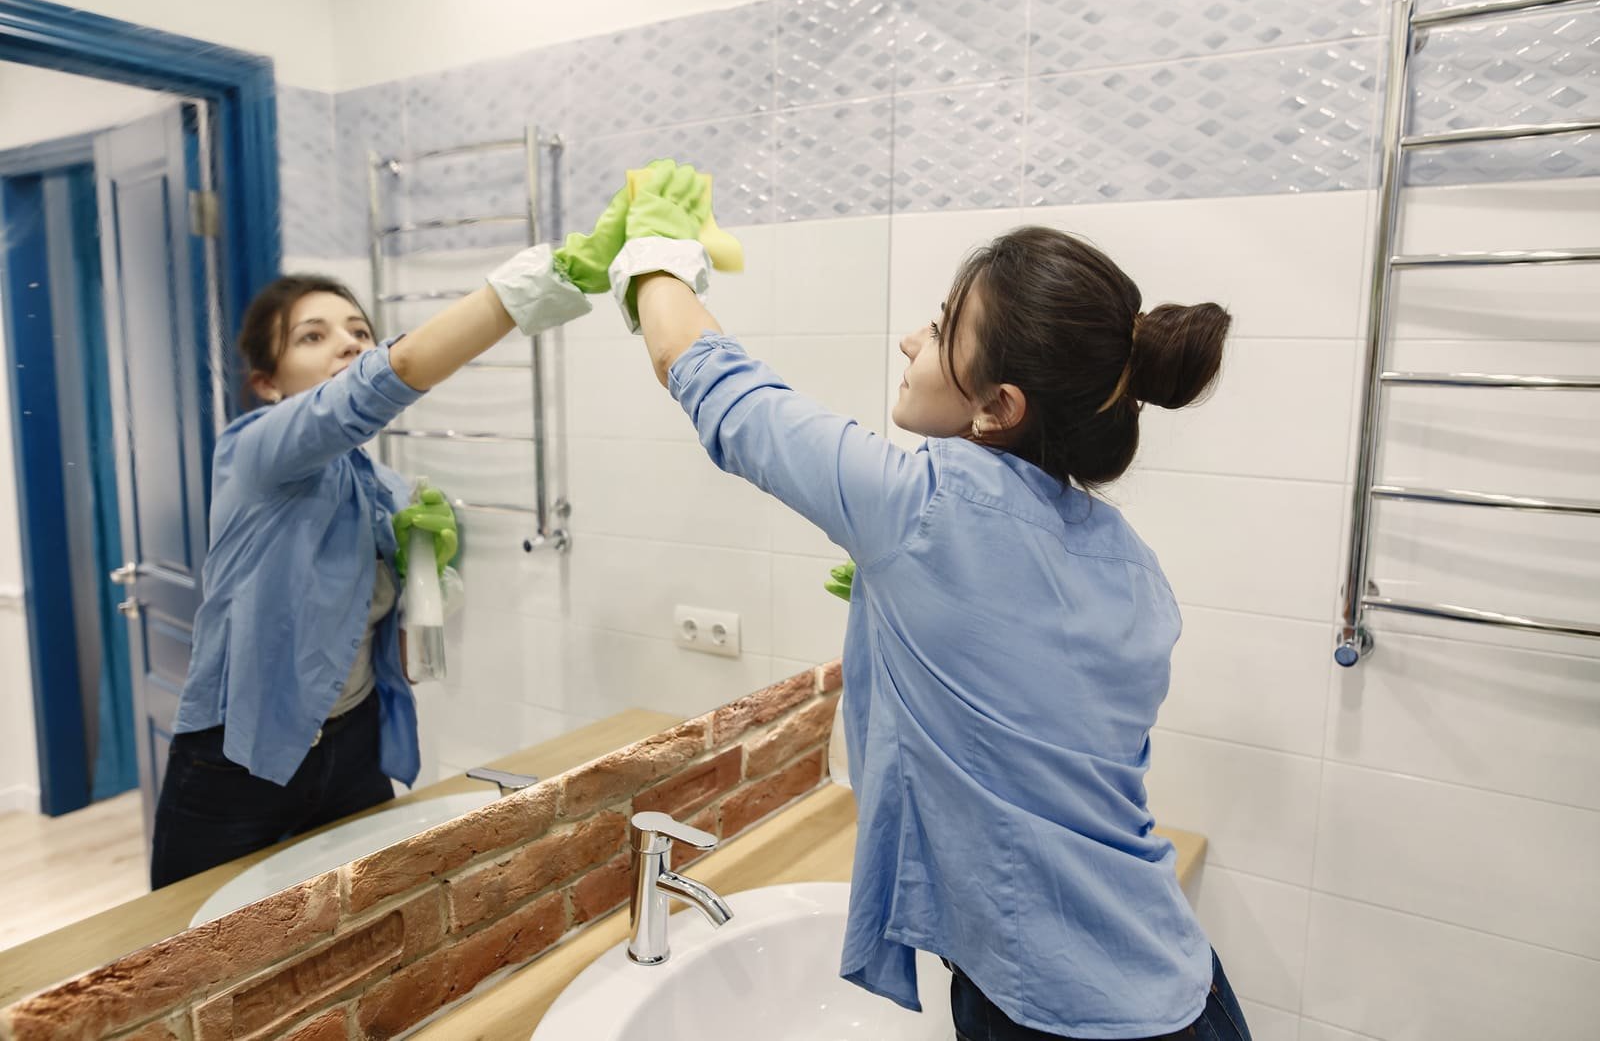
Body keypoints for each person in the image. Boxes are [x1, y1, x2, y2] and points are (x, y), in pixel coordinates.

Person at [596, 163, 1251, 1040]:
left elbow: (714, 381)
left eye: (942, 328)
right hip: (1184, 986)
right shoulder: (1134, 565)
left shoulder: (923, 507)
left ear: (996, 407)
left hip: (1056, 1019)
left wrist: (654, 252)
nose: (911, 340)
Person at [149, 237, 598, 889]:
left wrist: (432, 568)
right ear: (267, 383)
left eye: (360, 331)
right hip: (237, 758)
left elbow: (390, 626)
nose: (348, 344)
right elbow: (381, 380)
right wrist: (514, 294)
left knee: (366, 924)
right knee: (191, 957)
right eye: (313, 336)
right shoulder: (254, 455)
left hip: (353, 746)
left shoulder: (381, 485)